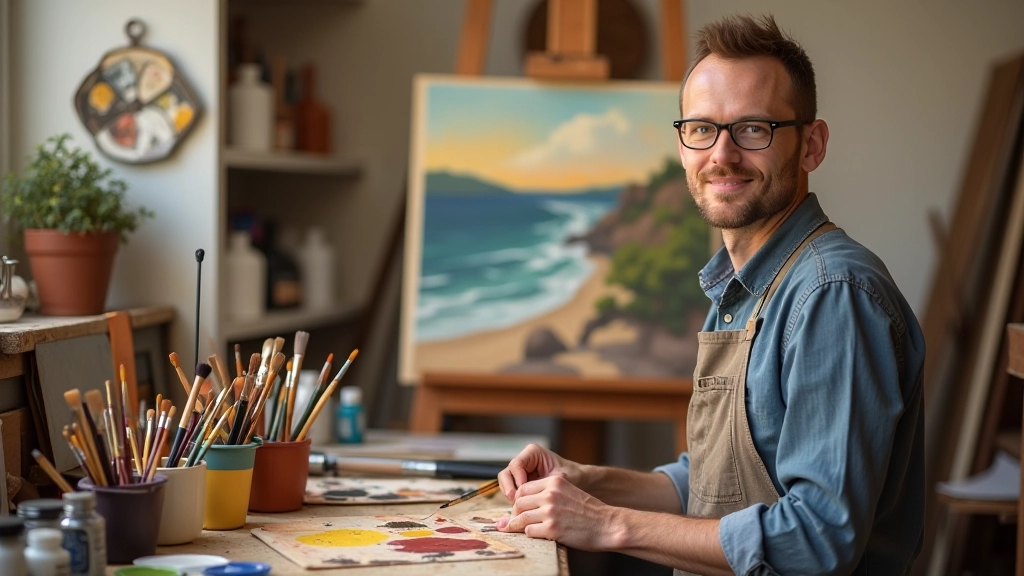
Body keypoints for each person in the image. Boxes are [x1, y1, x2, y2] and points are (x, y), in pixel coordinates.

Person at [496, 14, 925, 576]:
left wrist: (604, 524)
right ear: (682, 145)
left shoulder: (831, 295)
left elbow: (819, 541)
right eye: (702, 128)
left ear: (811, 145)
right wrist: (584, 480)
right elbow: (708, 485)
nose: (721, 155)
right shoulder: (743, 286)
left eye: (753, 129)